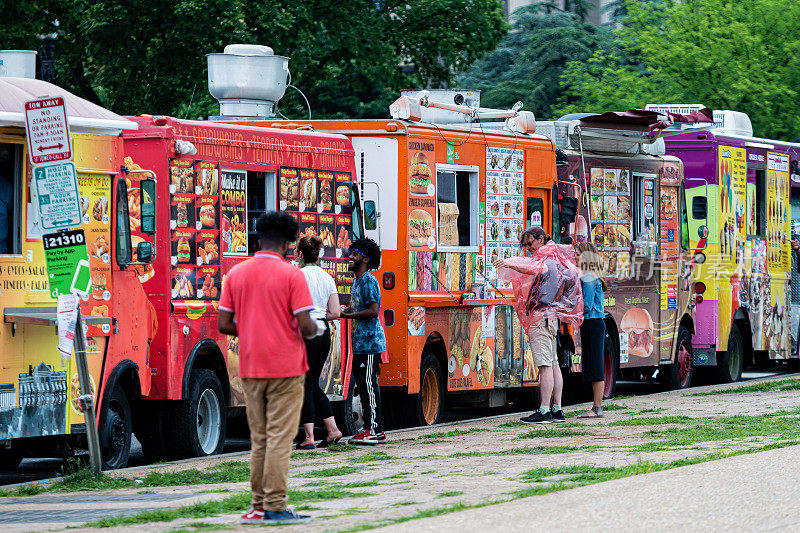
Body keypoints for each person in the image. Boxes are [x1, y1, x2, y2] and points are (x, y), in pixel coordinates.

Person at [217, 211, 321, 525]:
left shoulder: (236, 274)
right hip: (287, 367)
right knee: (279, 438)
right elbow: (305, 325)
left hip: (250, 366)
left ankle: (258, 506)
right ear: (290, 243)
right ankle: (275, 505)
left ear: (258, 237)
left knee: (260, 438)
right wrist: (315, 329)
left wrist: (252, 329)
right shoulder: (292, 275)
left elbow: (224, 323)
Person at [494, 226, 582, 425]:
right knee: (553, 364)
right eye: (524, 245)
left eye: (530, 243)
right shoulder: (557, 257)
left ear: (541, 240)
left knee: (544, 366)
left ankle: (544, 410)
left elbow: (534, 268)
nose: (528, 248)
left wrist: (508, 263)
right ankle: (557, 409)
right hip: (551, 318)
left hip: (540, 319)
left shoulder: (546, 259)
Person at [295, 235, 343, 449]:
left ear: (300, 254)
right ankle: (332, 430)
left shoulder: (296, 276)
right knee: (312, 383)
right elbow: (335, 312)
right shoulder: (327, 277)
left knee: (304, 384)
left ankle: (309, 437)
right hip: (323, 332)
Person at [339, 238, 387, 444]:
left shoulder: (369, 280)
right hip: (360, 343)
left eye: (354, 255)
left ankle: (372, 429)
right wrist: (345, 310)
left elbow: (373, 311)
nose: (350, 258)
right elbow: (358, 305)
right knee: (364, 385)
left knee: (368, 387)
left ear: (366, 259)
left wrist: (348, 317)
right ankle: (373, 429)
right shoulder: (358, 280)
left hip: (369, 344)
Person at [574, 242, 607, 419]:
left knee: (595, 365)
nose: (575, 257)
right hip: (596, 323)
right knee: (595, 363)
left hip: (592, 323)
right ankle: (597, 406)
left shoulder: (587, 277)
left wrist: (569, 309)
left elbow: (586, 305)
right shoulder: (593, 275)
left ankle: (597, 407)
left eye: (578, 254)